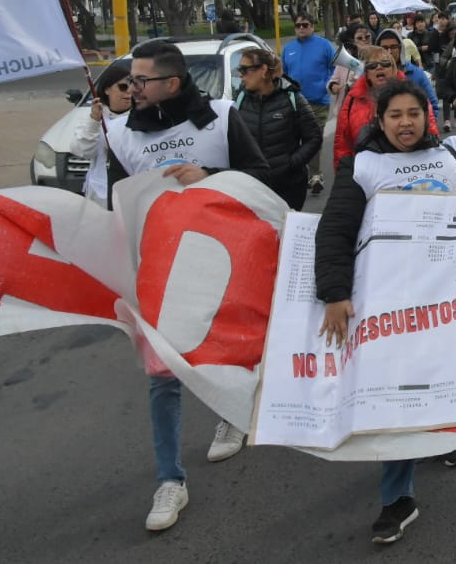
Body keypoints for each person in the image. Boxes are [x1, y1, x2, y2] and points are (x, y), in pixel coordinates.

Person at [314, 81, 456, 546]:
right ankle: (398, 498)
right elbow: (335, 230)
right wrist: (334, 293)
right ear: (380, 121)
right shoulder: (361, 165)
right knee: (396, 393)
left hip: (454, 296)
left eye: (414, 113)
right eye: (395, 115)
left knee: (444, 374)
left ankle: (440, 437)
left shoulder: (455, 152)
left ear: (427, 116)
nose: (405, 123)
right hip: (391, 304)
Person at [104, 40, 270, 532]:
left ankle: (234, 411)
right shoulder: (119, 134)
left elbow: (264, 176)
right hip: (159, 269)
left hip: (227, 262)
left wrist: (211, 176)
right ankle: (170, 480)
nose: (130, 88)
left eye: (140, 80)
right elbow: (118, 206)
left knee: (233, 349)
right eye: (129, 80)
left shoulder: (221, 117)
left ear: (171, 84)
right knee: (161, 374)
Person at [233, 47, 323, 211]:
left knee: (284, 233)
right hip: (252, 187)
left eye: (245, 69)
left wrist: (291, 164)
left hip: (289, 187)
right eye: (240, 70)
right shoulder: (240, 99)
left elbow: (314, 137)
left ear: (263, 70)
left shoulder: (292, 98)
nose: (241, 75)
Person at [333, 46, 438, 168]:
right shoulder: (352, 98)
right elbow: (342, 144)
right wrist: (343, 174)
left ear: (394, 69)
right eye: (372, 66)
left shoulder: (414, 94)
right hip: (366, 172)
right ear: (367, 74)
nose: (379, 67)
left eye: (385, 63)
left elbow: (431, 133)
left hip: (409, 168)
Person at [281, 12, 336, 195]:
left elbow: (335, 69)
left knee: (314, 139)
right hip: (294, 102)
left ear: (312, 26)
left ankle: (315, 176)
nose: (302, 28)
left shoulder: (325, 46)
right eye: (298, 26)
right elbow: (285, 75)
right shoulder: (289, 49)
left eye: (305, 25)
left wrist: (326, 85)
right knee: (294, 139)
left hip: (318, 101)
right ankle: (298, 174)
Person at [68, 60, 133, 208]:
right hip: (100, 193)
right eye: (122, 87)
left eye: (133, 86)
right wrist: (93, 122)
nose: (129, 92)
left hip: (130, 191)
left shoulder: (142, 116)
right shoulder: (95, 116)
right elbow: (82, 151)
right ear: (107, 89)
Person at [376, 28, 440, 122]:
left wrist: (425, 130)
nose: (389, 52)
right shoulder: (372, 75)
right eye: (384, 48)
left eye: (393, 47)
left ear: (400, 48)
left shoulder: (416, 74)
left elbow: (432, 104)